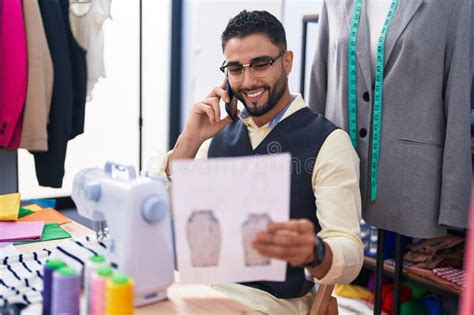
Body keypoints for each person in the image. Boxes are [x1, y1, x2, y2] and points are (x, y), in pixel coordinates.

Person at [162, 10, 363, 314]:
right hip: (198, 294)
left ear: (287, 62)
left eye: (260, 64)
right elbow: (165, 220)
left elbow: (350, 252)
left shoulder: (328, 142)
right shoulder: (215, 138)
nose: (248, 80)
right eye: (235, 69)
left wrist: (316, 251)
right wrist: (189, 141)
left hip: (269, 304)